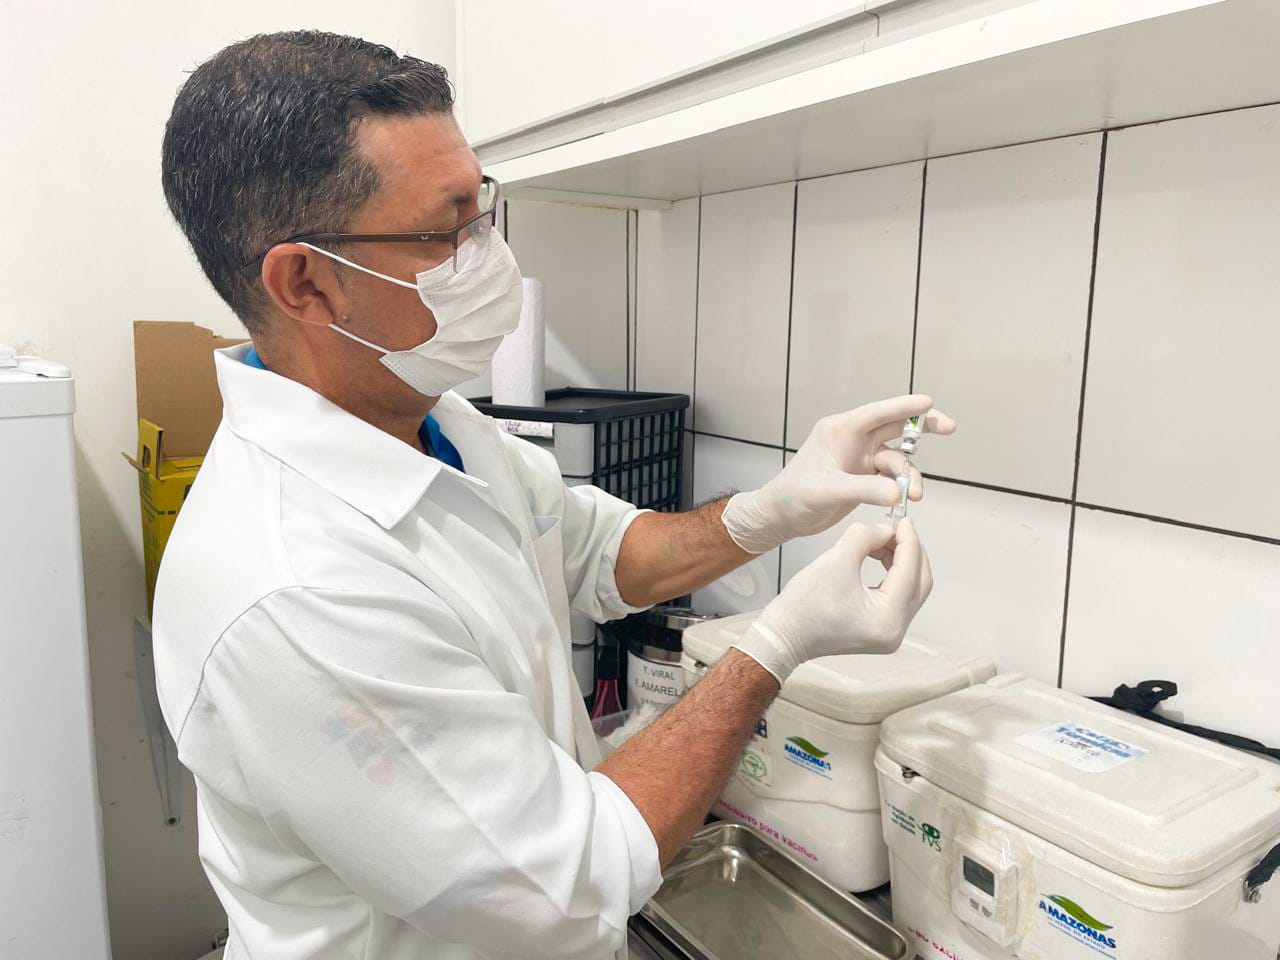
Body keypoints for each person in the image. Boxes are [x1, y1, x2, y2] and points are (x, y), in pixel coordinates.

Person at [154, 30, 955, 960]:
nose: (485, 254)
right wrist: (776, 646)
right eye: (443, 231)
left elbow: (595, 551)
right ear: (305, 282)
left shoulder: (434, 419)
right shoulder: (295, 593)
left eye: (482, 208)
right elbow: (569, 885)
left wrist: (770, 510)